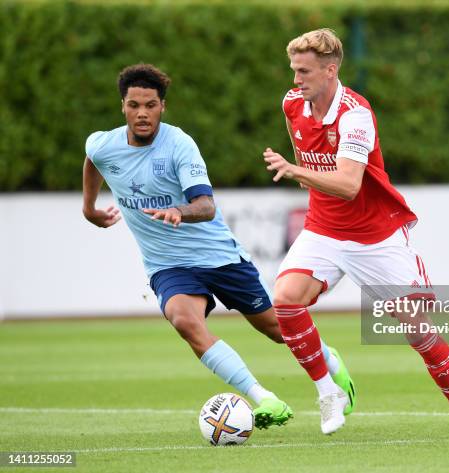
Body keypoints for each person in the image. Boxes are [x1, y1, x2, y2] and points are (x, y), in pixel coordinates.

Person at [82, 63, 348, 430]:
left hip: (218, 256)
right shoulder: (103, 143)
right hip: (166, 263)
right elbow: (94, 160)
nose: (142, 113)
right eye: (133, 105)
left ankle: (330, 361)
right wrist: (89, 208)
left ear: (163, 106)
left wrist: (178, 211)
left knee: (276, 329)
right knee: (184, 321)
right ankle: (264, 397)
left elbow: (205, 207)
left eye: (150, 105)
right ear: (122, 106)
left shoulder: (179, 145)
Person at [263, 29, 449, 439]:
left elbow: (349, 184)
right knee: (285, 299)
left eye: (305, 71)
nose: (296, 80)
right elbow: (312, 171)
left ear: (331, 71)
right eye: (294, 70)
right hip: (324, 230)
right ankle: (328, 391)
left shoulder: (356, 114)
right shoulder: (291, 104)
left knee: (418, 330)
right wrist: (302, 173)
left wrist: (297, 171)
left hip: (374, 237)